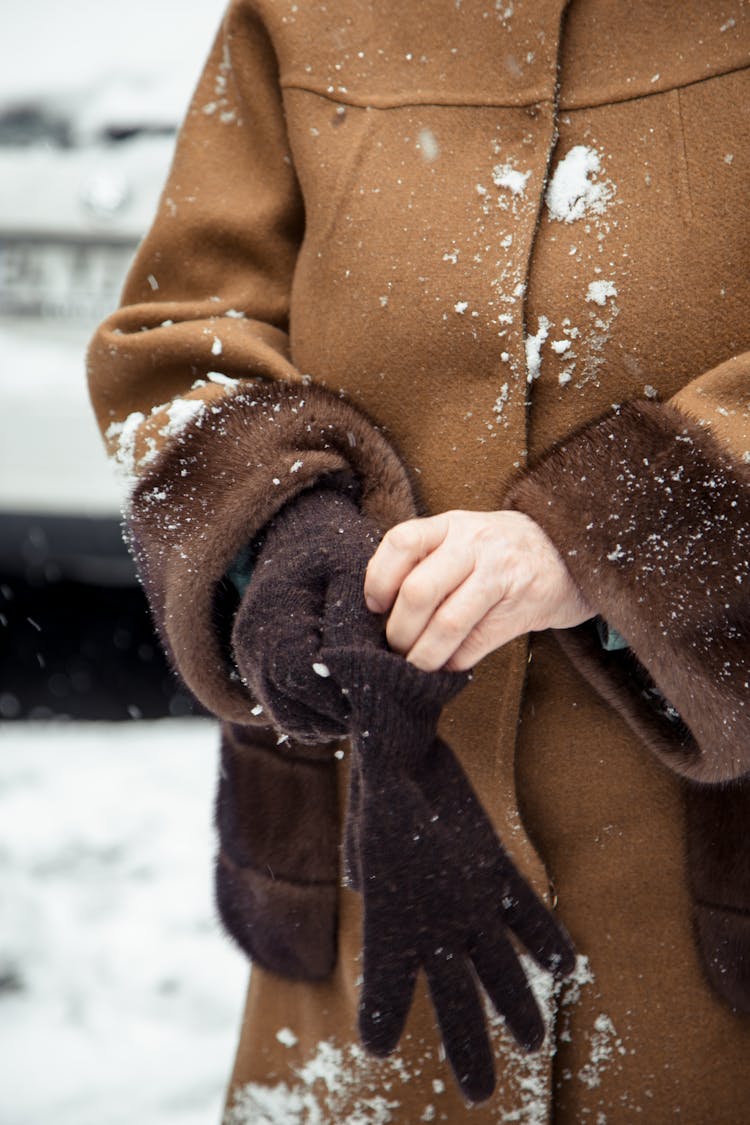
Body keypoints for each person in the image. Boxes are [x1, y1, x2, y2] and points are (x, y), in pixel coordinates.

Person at [87, 1, 750, 1120]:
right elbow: (182, 337)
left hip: (700, 909)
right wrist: (285, 528)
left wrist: (607, 542)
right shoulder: (293, 13)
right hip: (359, 870)